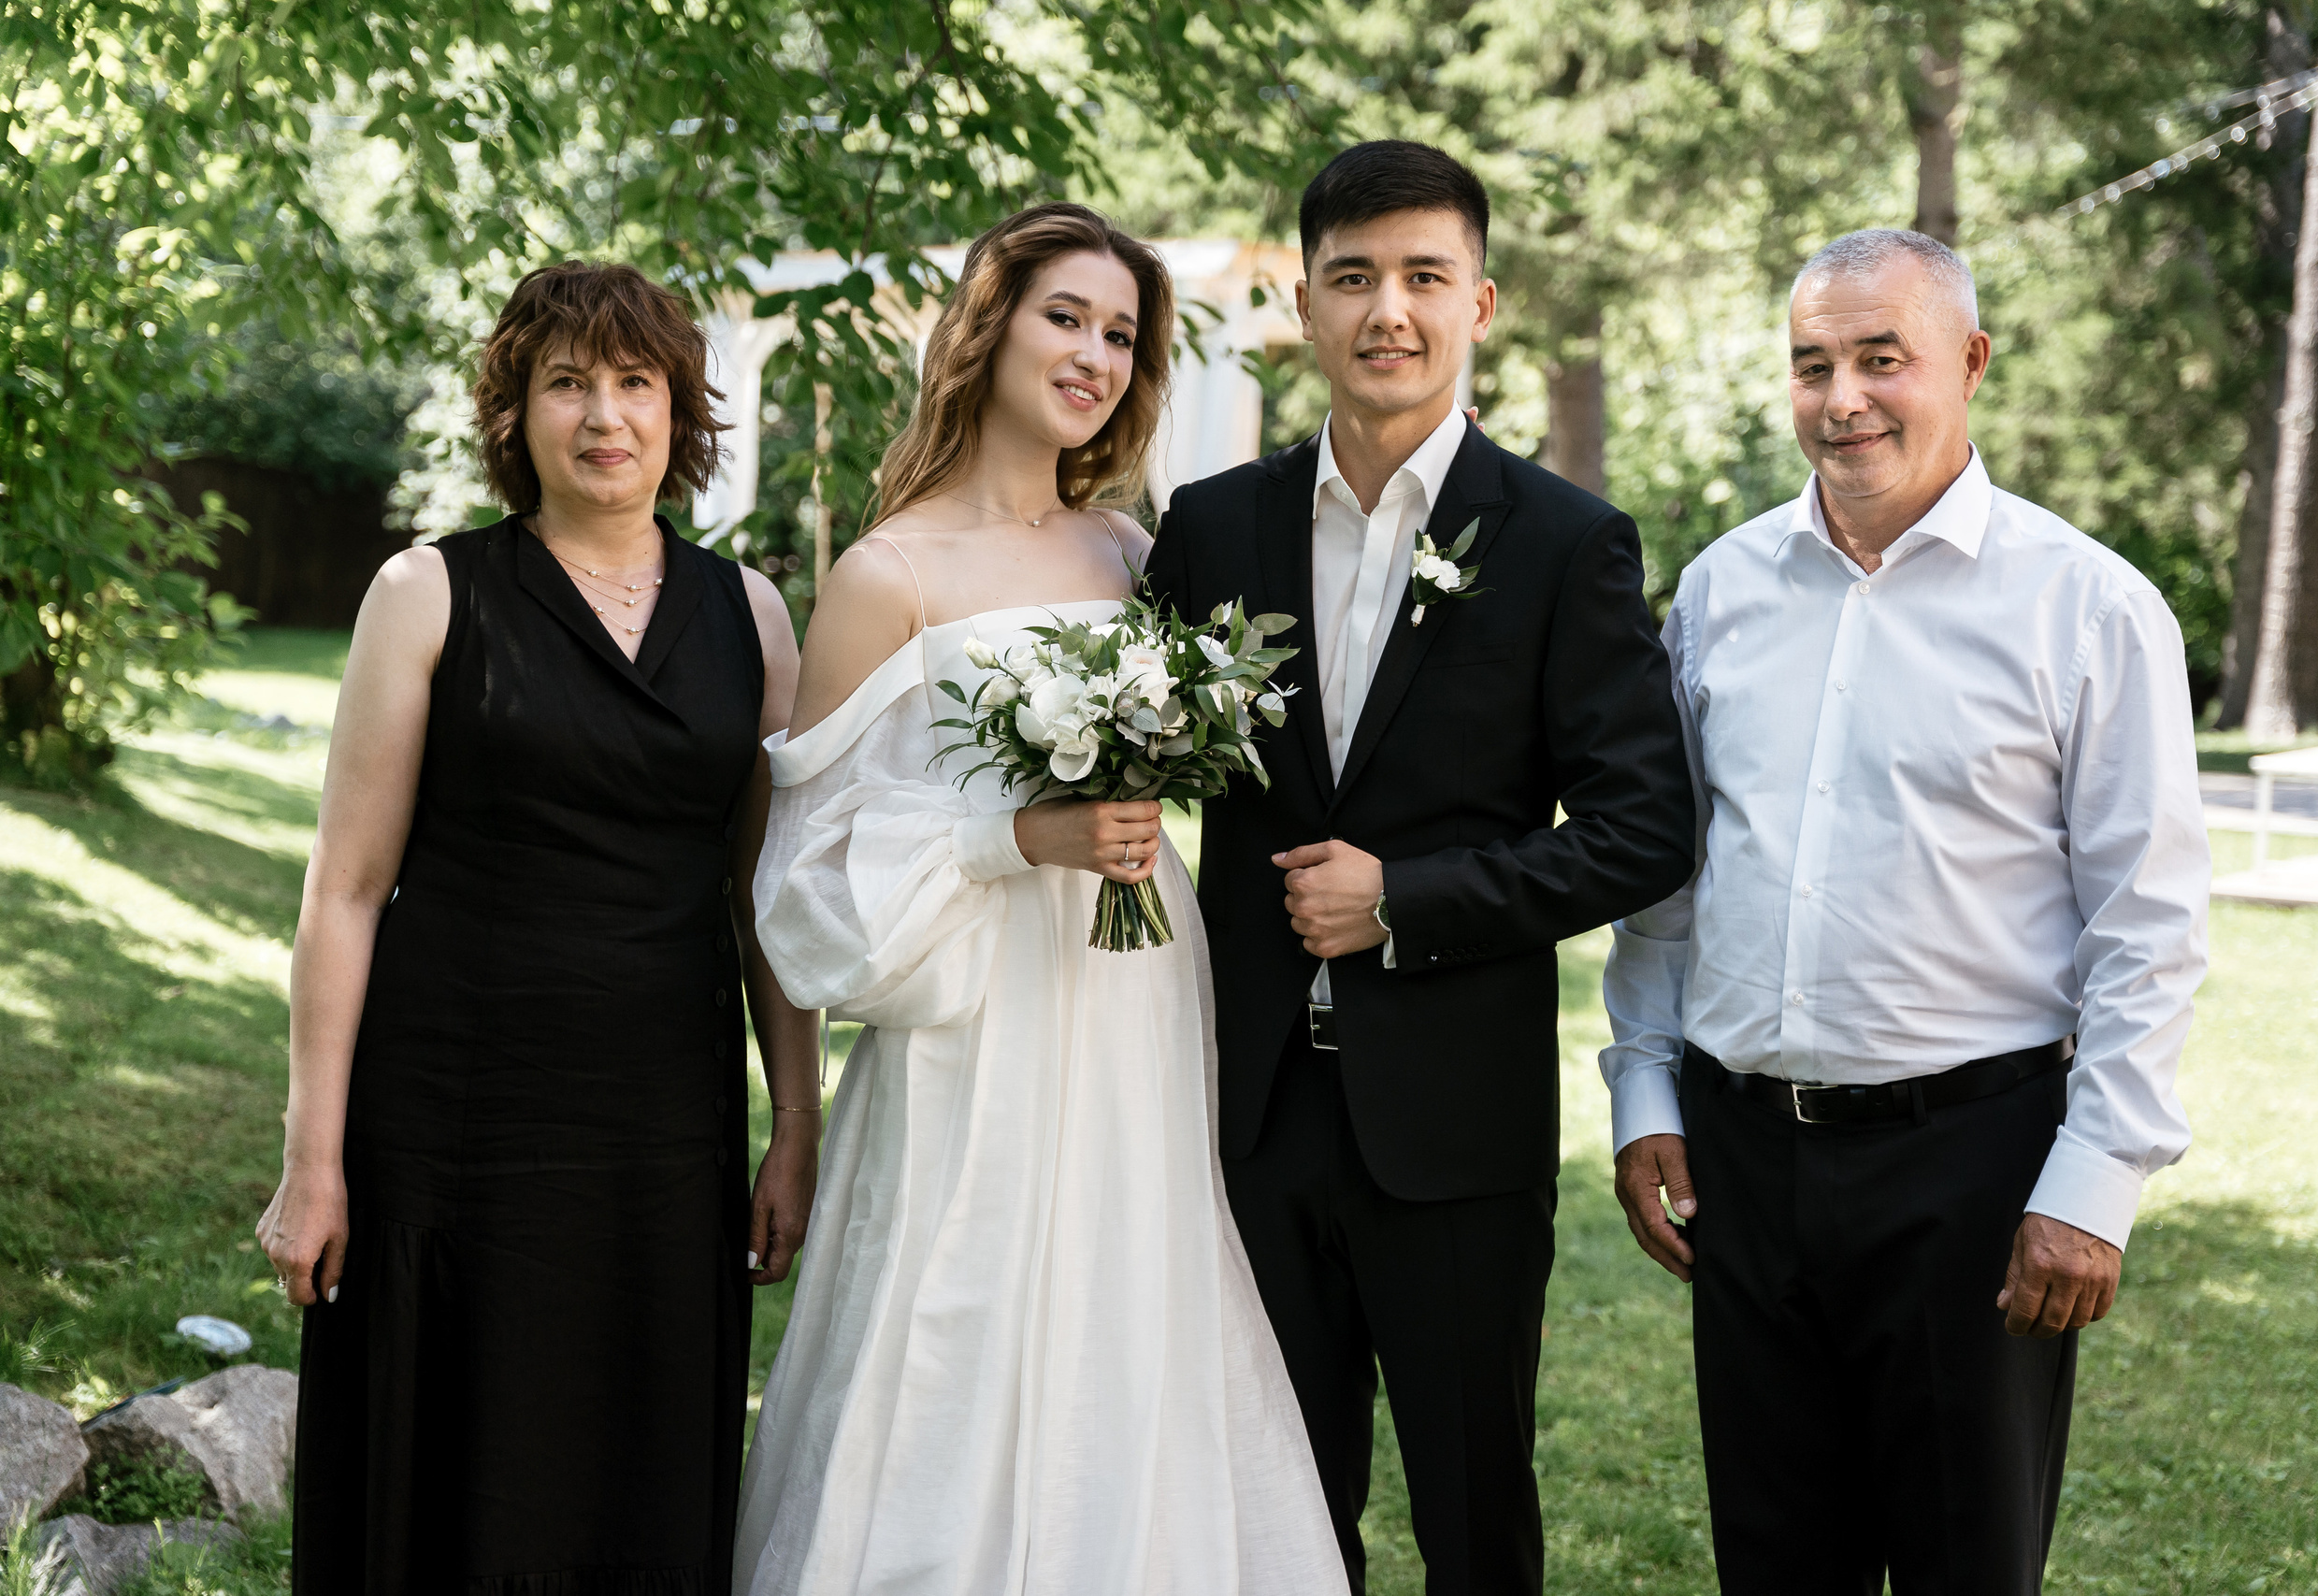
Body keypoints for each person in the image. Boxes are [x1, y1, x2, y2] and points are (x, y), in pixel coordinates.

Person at [732, 202, 1345, 1594]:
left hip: (1136, 986)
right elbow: (804, 882)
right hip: (976, 1025)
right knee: (960, 1308)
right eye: (1065, 317)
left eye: (1122, 335)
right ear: (988, 323)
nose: (1093, 356)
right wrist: (1020, 837)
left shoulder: (1133, 557)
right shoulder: (885, 575)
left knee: (1136, 1296)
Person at [1601, 228, 2209, 1593]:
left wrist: (2094, 1190)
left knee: (1963, 1568)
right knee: (1774, 1566)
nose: (1843, 398)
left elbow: (2148, 925)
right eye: (1813, 365)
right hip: (1746, 1166)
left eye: (1884, 359)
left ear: (1971, 363)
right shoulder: (1722, 590)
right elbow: (1676, 871)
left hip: (1976, 1173)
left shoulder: (2091, 607)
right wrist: (1646, 1089)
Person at [1145, 141, 1696, 1595]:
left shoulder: (1566, 543)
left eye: (1423, 278)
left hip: (1453, 1128)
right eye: (1353, 279)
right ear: (1307, 311)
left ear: (1482, 303)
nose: (1389, 310)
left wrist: (1406, 900)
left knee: (1470, 1512)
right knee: (1268, 1511)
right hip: (1247, 1118)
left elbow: (1646, 831)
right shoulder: (1209, 531)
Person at [258, 260, 817, 1592]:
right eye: (567, 382)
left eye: (635, 383)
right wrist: (312, 1161)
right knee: (446, 1466)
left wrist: (797, 1128)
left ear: (684, 410)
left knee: (639, 1465)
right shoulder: (428, 593)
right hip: (453, 1117)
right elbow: (343, 889)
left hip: (662, 1132)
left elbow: (765, 899)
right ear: (516, 413)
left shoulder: (751, 614)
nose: (604, 415)